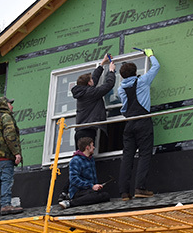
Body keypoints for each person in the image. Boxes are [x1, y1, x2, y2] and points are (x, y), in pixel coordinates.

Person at [117, 48, 159, 201]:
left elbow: (124, 107)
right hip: (143, 122)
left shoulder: (121, 89)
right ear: (135, 72)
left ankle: (124, 193)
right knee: (144, 155)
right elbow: (156, 67)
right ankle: (140, 188)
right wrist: (150, 55)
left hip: (129, 124)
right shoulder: (142, 81)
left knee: (127, 157)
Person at [71, 54, 116, 144]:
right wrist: (111, 71)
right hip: (87, 132)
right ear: (88, 83)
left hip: (80, 131)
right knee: (87, 156)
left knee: (82, 156)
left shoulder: (82, 91)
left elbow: (94, 78)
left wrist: (102, 63)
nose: (93, 80)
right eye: (91, 80)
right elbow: (108, 85)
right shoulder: (90, 93)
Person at [59, 137, 110, 209]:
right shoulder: (75, 160)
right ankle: (70, 203)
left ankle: (77, 201)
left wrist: (96, 186)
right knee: (94, 195)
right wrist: (91, 186)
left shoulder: (91, 159)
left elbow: (93, 176)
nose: (94, 147)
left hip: (89, 190)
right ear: (87, 147)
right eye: (92, 145)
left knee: (105, 195)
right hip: (78, 191)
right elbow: (74, 180)